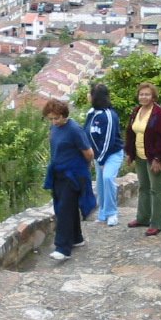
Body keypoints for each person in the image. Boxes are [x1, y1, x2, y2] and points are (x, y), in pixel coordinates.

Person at [42, 99, 95, 261]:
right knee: (65, 207)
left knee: (64, 209)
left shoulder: (74, 130)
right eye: (50, 119)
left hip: (73, 175)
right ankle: (77, 238)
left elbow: (89, 153)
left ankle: (63, 248)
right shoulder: (54, 128)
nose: (54, 122)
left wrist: (81, 169)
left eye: (56, 118)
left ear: (64, 115)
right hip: (58, 173)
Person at [123, 82, 161, 236]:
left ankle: (157, 222)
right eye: (141, 94)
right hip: (139, 155)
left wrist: (159, 158)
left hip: (153, 157)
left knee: (156, 189)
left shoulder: (159, 114)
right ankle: (143, 218)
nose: (143, 97)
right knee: (143, 187)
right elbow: (130, 133)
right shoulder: (136, 111)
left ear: (153, 96)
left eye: (147, 94)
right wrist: (130, 153)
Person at [84, 83, 125, 227]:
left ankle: (112, 213)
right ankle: (103, 213)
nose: (88, 96)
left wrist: (102, 160)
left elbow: (109, 139)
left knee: (108, 179)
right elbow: (86, 134)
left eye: (90, 93)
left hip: (112, 154)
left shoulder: (108, 115)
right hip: (97, 155)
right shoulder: (91, 113)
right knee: (100, 185)